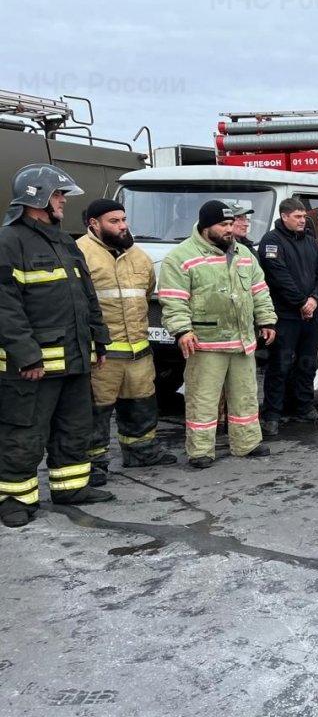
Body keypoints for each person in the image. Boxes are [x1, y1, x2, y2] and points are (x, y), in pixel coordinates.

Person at [0, 165, 115, 527]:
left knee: (74, 427)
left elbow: (86, 297)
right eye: (58, 195)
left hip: (75, 358)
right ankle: (13, 498)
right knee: (24, 432)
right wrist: (26, 356)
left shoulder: (65, 241)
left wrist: (100, 340)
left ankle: (70, 487)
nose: (63, 201)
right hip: (32, 367)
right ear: (37, 198)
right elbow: (5, 306)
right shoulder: (9, 241)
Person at [158, 200, 278, 468]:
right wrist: (182, 331)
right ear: (205, 227)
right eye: (223, 225)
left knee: (245, 396)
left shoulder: (244, 254)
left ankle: (246, 443)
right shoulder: (181, 257)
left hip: (242, 341)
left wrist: (267, 320)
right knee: (203, 399)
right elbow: (174, 300)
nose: (229, 229)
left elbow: (259, 291)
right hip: (206, 343)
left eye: (230, 224)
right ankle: (200, 451)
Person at [77, 198, 177, 487]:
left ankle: (141, 452)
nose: (122, 226)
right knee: (95, 412)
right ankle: (93, 464)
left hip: (139, 352)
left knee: (142, 405)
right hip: (102, 355)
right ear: (93, 224)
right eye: (114, 221)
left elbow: (145, 296)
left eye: (124, 219)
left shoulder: (140, 257)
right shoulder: (79, 254)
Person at [257, 197, 318, 436]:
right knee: (279, 365)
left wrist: (315, 299)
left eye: (304, 216)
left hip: (310, 314)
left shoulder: (311, 242)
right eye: (298, 217)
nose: (303, 220)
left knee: (308, 363)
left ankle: (305, 407)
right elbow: (278, 276)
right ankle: (271, 415)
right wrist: (302, 302)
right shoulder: (271, 242)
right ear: (284, 217)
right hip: (285, 315)